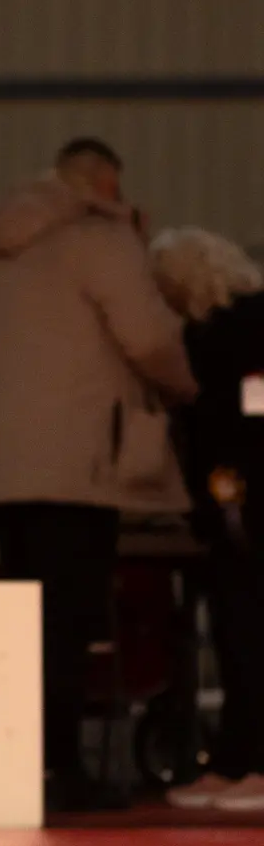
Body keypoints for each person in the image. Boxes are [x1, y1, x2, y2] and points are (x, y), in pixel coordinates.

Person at [0, 137, 198, 814]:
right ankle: (62, 768)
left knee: (19, 625)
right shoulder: (99, 237)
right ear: (103, 183)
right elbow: (148, 336)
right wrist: (188, 386)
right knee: (66, 624)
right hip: (75, 467)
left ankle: (18, 767)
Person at [149, 228, 264, 812]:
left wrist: (233, 490)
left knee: (248, 631)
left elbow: (243, 421)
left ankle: (253, 764)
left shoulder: (238, 332)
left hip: (241, 498)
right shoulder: (215, 332)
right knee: (234, 631)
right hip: (227, 501)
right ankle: (235, 759)